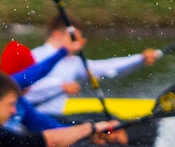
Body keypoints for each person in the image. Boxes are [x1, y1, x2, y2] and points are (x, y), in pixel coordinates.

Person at [24, 15, 159, 115]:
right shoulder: (34, 56)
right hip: (30, 117)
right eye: (74, 39)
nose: (79, 44)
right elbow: (21, 86)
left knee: (105, 117)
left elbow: (107, 67)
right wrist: (60, 85)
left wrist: (140, 58)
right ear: (57, 35)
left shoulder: (73, 63)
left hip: (54, 118)